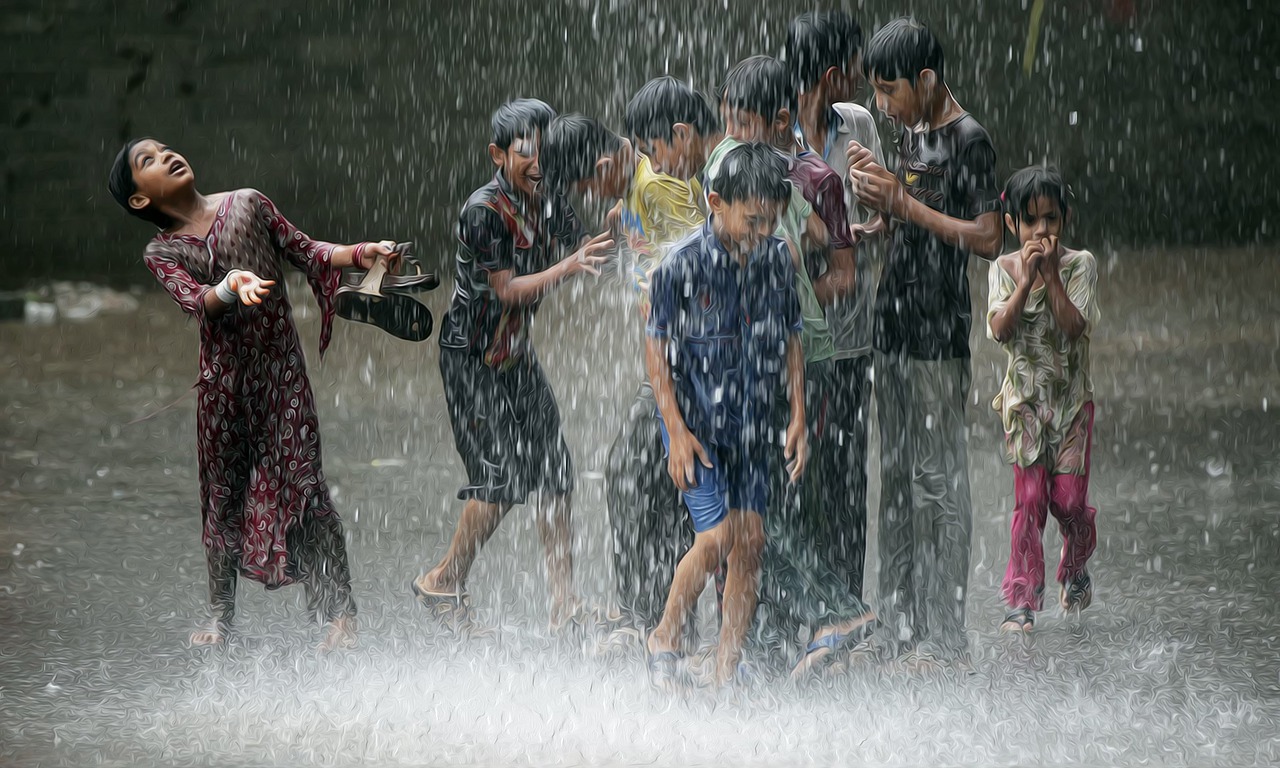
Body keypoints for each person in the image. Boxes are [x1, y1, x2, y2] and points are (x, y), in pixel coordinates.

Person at [107, 138, 403, 651]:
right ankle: (221, 615)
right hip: (224, 390)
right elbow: (195, 299)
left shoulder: (247, 202)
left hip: (282, 376)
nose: (168, 155)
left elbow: (306, 250)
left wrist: (361, 253)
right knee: (222, 500)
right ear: (140, 199)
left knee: (307, 487)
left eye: (165, 148)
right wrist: (229, 286)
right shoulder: (163, 251)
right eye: (148, 160)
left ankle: (340, 614)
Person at [412, 99, 614, 633]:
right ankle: (443, 580)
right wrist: (570, 264)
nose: (538, 161)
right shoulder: (483, 211)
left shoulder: (549, 196)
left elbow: (585, 249)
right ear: (497, 155)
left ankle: (564, 605)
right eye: (525, 151)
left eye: (545, 149)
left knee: (554, 469)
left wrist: (621, 233)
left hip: (515, 354)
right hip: (471, 358)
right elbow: (506, 290)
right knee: (499, 480)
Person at [846, 17, 1004, 671]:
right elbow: (914, 217)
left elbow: (989, 237)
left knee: (939, 484)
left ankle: (944, 639)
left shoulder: (970, 140)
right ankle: (897, 625)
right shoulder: (913, 133)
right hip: (892, 326)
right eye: (876, 92)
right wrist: (878, 216)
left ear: (928, 79)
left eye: (891, 91)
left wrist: (903, 205)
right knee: (897, 478)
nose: (883, 105)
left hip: (938, 335)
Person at [714, 55, 876, 679]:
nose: (732, 132)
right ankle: (768, 646)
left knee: (782, 504)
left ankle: (831, 614)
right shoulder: (731, 164)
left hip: (805, 358)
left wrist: (791, 299)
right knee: (759, 508)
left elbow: (839, 268)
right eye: (727, 119)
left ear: (780, 121)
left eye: (743, 122)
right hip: (754, 360)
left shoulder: (813, 181)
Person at [540, 106, 710, 643]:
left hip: (689, 361)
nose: (594, 198)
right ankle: (666, 622)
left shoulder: (655, 188)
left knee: (631, 474)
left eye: (590, 187)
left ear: (605, 164)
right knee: (656, 485)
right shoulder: (638, 185)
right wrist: (624, 214)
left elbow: (708, 265)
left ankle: (647, 619)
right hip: (674, 359)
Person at [644, 142, 807, 690]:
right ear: (716, 202)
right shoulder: (680, 265)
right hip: (698, 428)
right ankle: (664, 636)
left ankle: (725, 672)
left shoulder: (777, 258)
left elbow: (791, 338)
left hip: (752, 424)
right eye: (752, 220)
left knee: (751, 543)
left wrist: (798, 416)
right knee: (715, 539)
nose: (762, 232)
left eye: (771, 222)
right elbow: (655, 349)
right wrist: (675, 432)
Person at [788, 9, 882, 606]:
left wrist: (869, 222)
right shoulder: (774, 130)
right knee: (796, 477)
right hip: (788, 345)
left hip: (848, 341)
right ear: (832, 75)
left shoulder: (858, 126)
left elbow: (880, 214)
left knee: (846, 476)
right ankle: (801, 610)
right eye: (854, 68)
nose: (861, 79)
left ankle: (846, 604)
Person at [987, 166, 1099, 633]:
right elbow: (1000, 329)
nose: (1041, 231)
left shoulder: (1080, 265)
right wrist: (1026, 282)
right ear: (1012, 224)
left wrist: (1051, 277)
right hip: (1025, 408)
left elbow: (1074, 328)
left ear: (1065, 219)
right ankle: (1022, 599)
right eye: (1030, 221)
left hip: (1070, 407)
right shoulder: (1003, 269)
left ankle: (1076, 565)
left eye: (1051, 219)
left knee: (1068, 501)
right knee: (1030, 500)